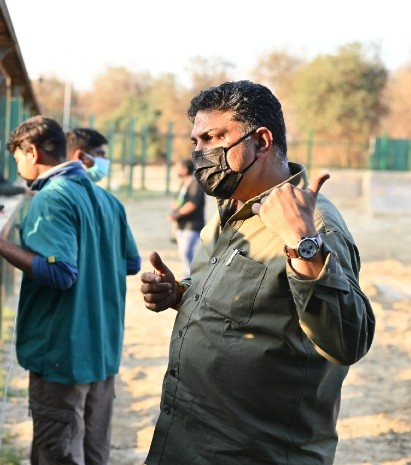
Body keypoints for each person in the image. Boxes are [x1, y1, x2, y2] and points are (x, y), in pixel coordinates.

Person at [139, 80, 375, 465]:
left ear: (261, 141)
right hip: (188, 438)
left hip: (255, 451)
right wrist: (180, 294)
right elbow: (257, 304)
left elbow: (348, 341)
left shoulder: (315, 226)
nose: (201, 153)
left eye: (214, 137)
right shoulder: (231, 209)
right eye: (196, 142)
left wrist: (302, 242)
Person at [0, 115, 140, 465]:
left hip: (62, 353)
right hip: (102, 349)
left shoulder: (51, 199)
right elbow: (130, 264)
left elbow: (61, 272)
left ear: (32, 152)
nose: (17, 166)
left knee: (58, 452)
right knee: (95, 452)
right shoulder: (108, 200)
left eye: (17, 157)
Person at [167, 159, 205, 279]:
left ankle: (191, 278)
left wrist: (177, 214)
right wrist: (174, 210)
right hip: (181, 225)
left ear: (185, 169)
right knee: (183, 254)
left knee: (185, 252)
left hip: (192, 225)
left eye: (178, 167)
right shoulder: (184, 183)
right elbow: (177, 200)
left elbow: (192, 205)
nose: (176, 170)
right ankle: (189, 276)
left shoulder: (195, 183)